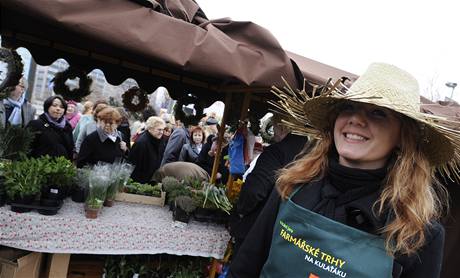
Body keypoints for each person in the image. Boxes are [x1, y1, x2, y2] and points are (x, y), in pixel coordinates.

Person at [229, 63, 460, 278]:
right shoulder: (291, 185)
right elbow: (244, 268)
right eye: (349, 107)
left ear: (403, 136)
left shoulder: (418, 233)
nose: (356, 119)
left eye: (378, 112)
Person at [230, 116, 309, 255]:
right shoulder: (311, 154)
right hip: (287, 233)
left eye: (275, 127)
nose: (274, 133)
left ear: (284, 126)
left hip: (257, 230)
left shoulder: (277, 151)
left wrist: (241, 210)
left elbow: (254, 191)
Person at [27, 95, 73, 159]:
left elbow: (70, 149)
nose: (58, 109)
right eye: (54, 105)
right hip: (39, 166)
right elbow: (27, 148)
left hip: (61, 166)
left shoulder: (67, 127)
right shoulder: (36, 124)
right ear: (47, 107)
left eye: (62, 107)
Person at [128, 116, 166, 184]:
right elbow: (133, 167)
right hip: (141, 183)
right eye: (159, 129)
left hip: (152, 180)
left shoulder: (160, 140)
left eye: (163, 130)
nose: (161, 132)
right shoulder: (141, 143)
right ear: (150, 128)